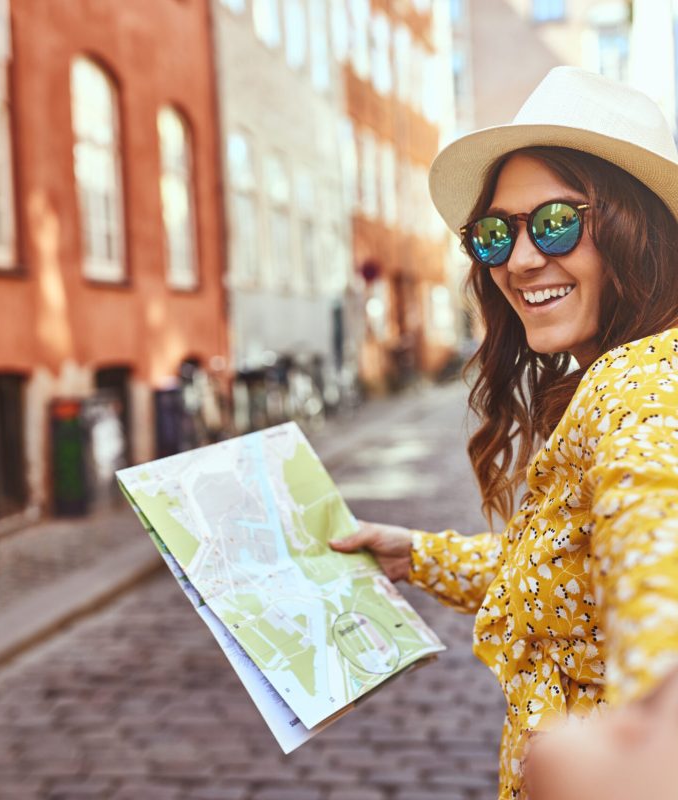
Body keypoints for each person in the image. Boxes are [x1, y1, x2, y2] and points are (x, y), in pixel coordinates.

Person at [330, 66, 678, 800]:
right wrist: (417, 554)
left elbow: (656, 554)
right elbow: (569, 576)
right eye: (495, 233)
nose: (518, 261)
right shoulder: (616, 373)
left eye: (556, 221)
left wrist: (657, 735)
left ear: (636, 228)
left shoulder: (638, 385)